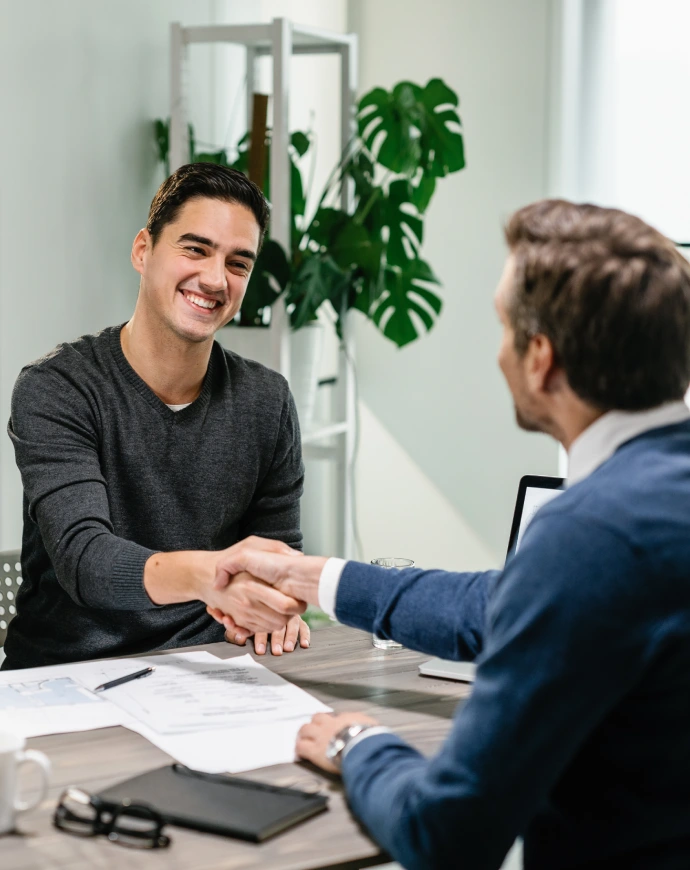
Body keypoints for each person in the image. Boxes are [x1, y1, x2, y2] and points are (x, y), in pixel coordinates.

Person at [209, 201, 690, 869]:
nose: (498, 351)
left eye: (502, 326)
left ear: (542, 359)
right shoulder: (652, 505)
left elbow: (448, 835)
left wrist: (361, 745)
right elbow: (498, 605)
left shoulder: (592, 535)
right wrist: (311, 574)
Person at [4, 163, 308, 670]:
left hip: (213, 669)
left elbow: (277, 558)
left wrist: (279, 603)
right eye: (195, 248)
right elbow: (88, 562)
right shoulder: (57, 388)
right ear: (143, 250)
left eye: (239, 263)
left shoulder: (266, 400)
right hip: (66, 678)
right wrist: (218, 575)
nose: (214, 279)